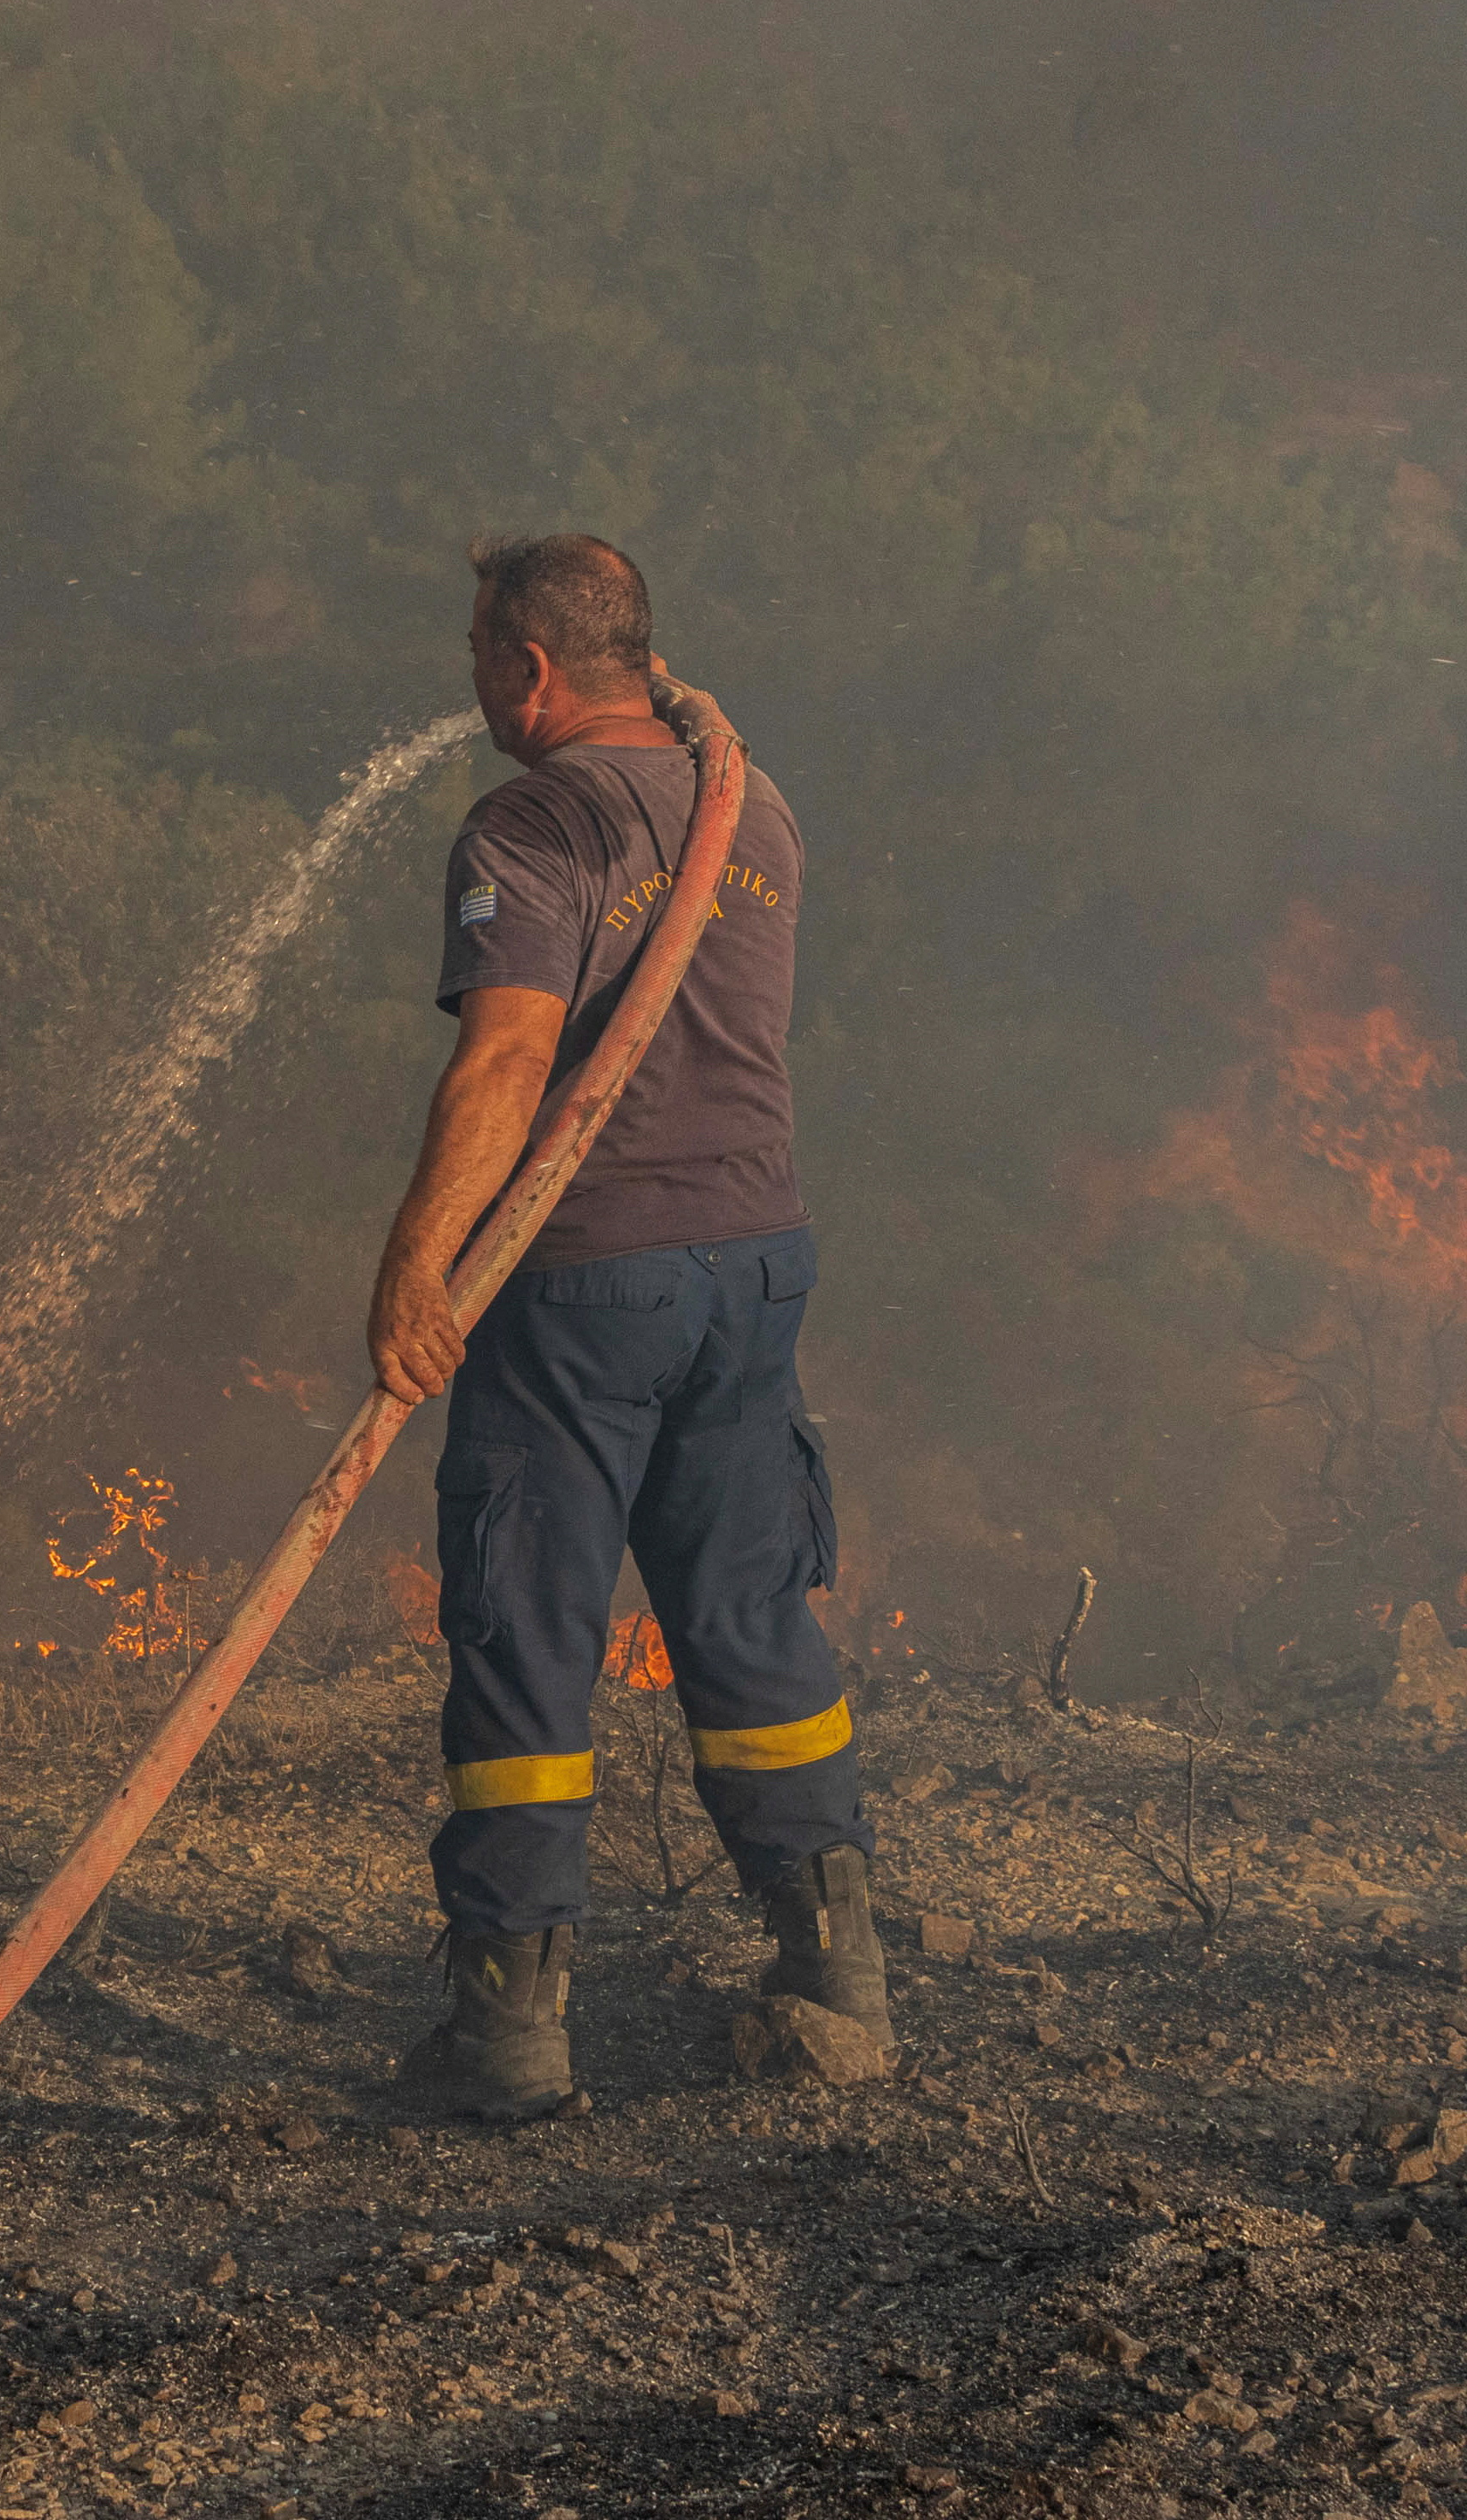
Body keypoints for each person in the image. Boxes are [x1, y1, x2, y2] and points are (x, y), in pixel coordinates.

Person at [365, 532, 882, 2120]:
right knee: (746, 1616)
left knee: (528, 1629)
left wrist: (414, 1262)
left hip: (586, 1279)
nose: (468, 689)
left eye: (477, 658)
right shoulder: (753, 802)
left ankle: (511, 2035)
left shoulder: (536, 820)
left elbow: (507, 1061)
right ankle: (834, 1970)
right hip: (754, 1263)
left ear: (529, 666)